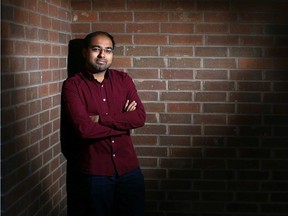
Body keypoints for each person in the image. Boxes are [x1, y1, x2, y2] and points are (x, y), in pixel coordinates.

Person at [61, 31, 146, 216]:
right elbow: (84, 129)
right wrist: (123, 122)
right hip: (96, 174)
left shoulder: (123, 80)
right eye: (96, 49)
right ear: (85, 52)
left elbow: (139, 117)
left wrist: (101, 119)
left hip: (129, 170)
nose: (102, 55)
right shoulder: (72, 85)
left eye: (108, 50)